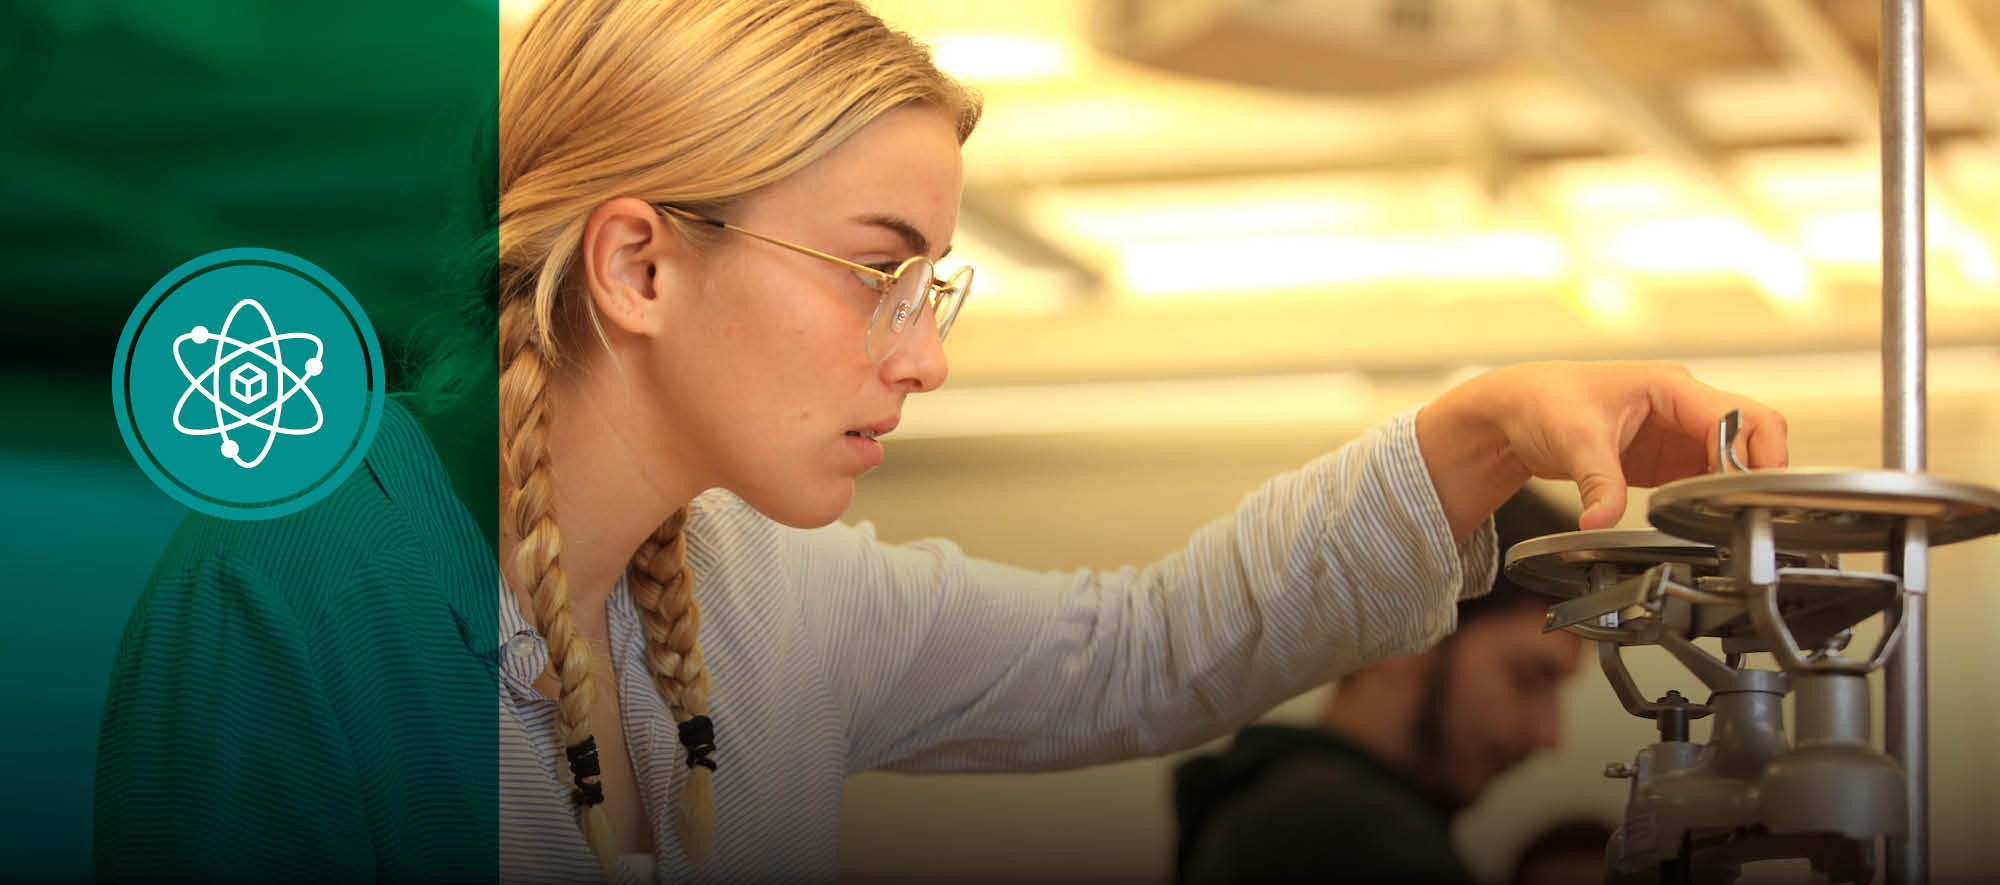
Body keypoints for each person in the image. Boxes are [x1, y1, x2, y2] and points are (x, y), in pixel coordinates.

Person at [98, 0, 1791, 882]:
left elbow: (1147, 651)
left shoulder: (760, 595)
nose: (925, 364)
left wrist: (1482, 424)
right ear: (637, 263)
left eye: (934, 289)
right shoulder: (294, 600)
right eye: (877, 275)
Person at [1171, 491, 1588, 884]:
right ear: (1401, 636)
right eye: (1528, 679)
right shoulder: (1361, 842)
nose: (1549, 735)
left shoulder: (1263, 810)